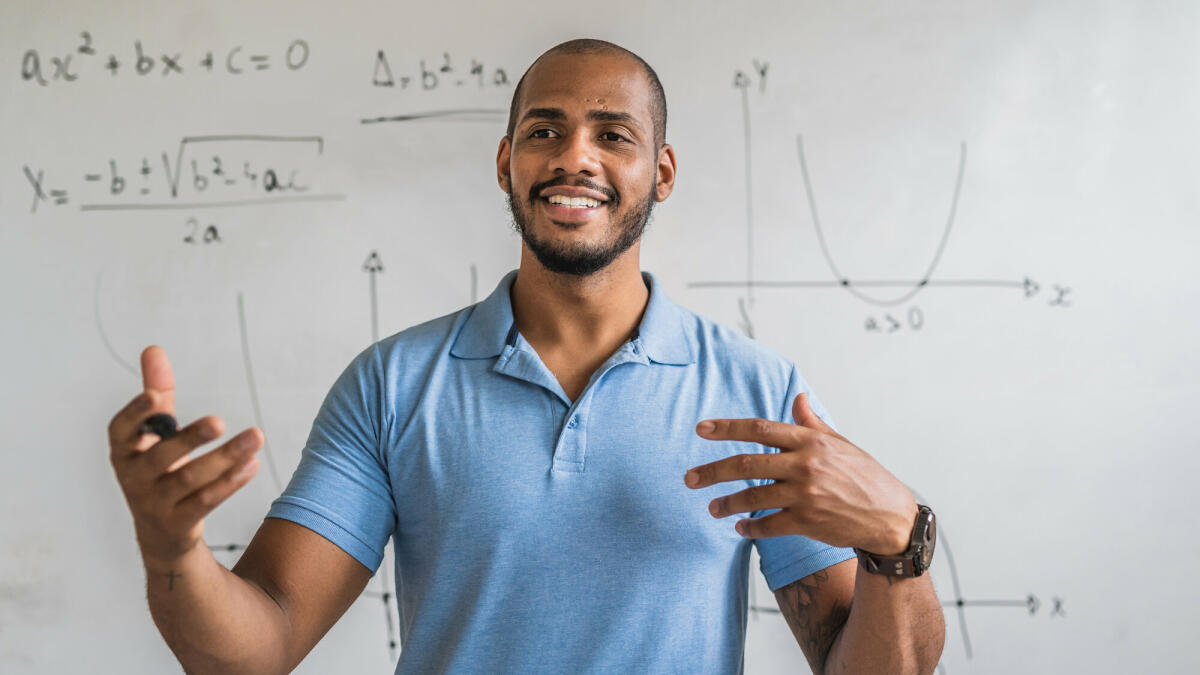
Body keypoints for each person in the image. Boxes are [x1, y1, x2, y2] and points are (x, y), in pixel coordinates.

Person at [108, 39, 945, 674]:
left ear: (661, 172)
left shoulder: (758, 393)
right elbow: (258, 645)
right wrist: (169, 548)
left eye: (611, 134)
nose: (574, 155)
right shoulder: (394, 385)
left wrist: (898, 541)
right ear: (509, 163)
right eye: (546, 129)